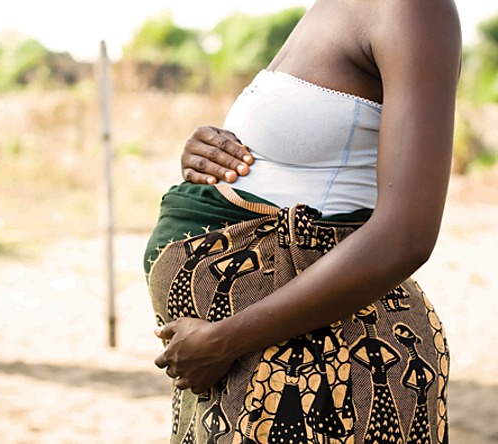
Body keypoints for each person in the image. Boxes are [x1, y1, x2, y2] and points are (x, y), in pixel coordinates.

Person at [144, 0, 461, 443]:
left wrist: (226, 339)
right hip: (257, 359)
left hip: (323, 362)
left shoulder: (413, 9)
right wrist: (207, 157)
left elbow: (406, 236)